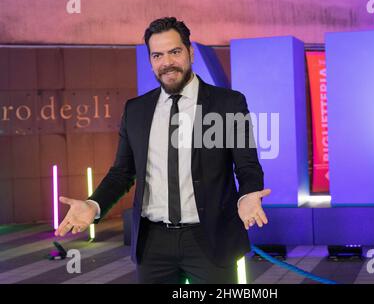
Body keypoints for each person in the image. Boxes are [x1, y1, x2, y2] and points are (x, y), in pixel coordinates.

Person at [55, 17, 271, 284]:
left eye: (175, 52)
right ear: (150, 61)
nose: (167, 62)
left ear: (190, 52)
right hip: (153, 244)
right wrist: (93, 204)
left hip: (210, 238)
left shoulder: (227, 104)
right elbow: (122, 172)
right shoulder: (136, 110)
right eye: (157, 55)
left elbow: (247, 165)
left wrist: (248, 196)